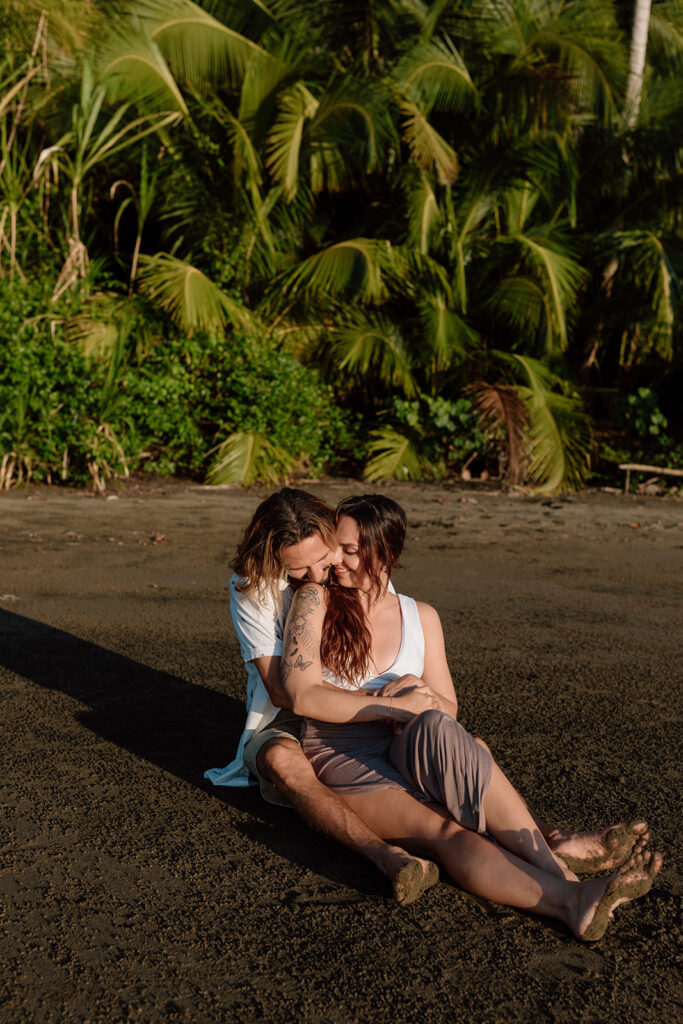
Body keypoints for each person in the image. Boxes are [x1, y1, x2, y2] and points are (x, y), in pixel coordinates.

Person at [279, 494, 662, 941]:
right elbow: (299, 693)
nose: (336, 563)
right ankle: (570, 897)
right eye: (334, 549)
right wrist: (392, 701)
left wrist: (417, 698)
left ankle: (563, 873)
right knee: (449, 831)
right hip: (344, 750)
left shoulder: (421, 617)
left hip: (408, 738)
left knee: (441, 727)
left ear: (387, 551)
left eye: (351, 550)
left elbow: (446, 706)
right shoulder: (316, 602)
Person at [204, 488, 440, 906]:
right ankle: (387, 857)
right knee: (281, 760)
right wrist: (382, 706)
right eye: (299, 570)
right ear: (274, 561)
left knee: (447, 757)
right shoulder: (252, 591)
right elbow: (283, 691)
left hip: (367, 703)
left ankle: (541, 840)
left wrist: (396, 700)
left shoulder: (347, 562)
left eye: (322, 558)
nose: (316, 575)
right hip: (288, 716)